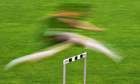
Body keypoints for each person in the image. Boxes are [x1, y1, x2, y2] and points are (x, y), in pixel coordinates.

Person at [5, 4, 122, 70]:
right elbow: (78, 24)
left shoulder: (68, 17)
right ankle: (112, 54)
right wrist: (95, 29)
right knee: (76, 38)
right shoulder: (65, 17)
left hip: (59, 38)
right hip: (54, 37)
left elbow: (81, 24)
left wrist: (93, 28)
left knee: (48, 54)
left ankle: (15, 61)